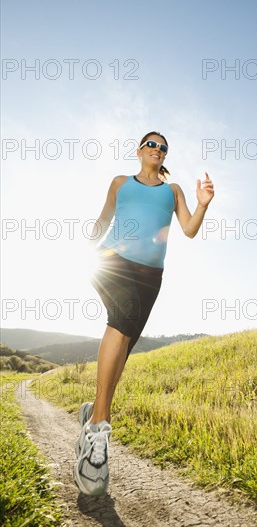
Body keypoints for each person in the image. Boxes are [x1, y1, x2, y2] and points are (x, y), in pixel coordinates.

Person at [74, 131, 214, 496]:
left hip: (151, 276)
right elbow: (103, 220)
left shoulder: (173, 191)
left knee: (123, 346)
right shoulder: (120, 182)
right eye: (151, 144)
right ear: (139, 151)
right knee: (119, 325)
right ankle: (98, 429)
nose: (157, 149)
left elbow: (189, 229)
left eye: (163, 147)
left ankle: (94, 412)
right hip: (113, 262)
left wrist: (203, 203)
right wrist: (82, 251)